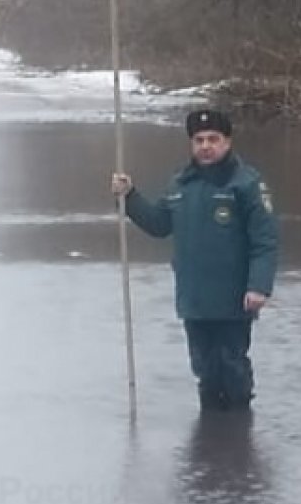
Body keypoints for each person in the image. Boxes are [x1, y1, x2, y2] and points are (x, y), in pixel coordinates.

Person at [111, 109, 280, 411]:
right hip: (194, 299)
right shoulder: (180, 184)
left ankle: (238, 437)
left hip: (233, 300)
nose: (205, 146)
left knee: (232, 366)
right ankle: (211, 439)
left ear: (227, 142)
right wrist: (129, 197)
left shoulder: (246, 184)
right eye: (199, 140)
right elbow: (158, 224)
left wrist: (259, 287)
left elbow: (264, 241)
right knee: (204, 369)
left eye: (213, 139)